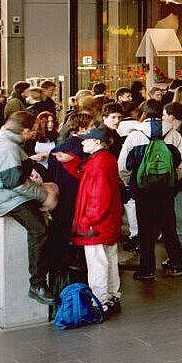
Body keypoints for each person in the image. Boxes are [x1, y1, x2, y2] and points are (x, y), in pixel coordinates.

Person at [0, 112, 53, 306]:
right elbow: (15, 183)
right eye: (34, 130)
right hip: (4, 197)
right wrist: (44, 195)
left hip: (5, 191)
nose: (37, 133)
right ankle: (37, 284)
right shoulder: (7, 148)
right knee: (39, 230)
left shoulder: (8, 142)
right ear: (24, 130)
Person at [119, 100, 182, 281]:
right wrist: (173, 180)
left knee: (145, 228)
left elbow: (123, 166)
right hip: (166, 189)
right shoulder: (173, 134)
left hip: (143, 190)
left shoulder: (134, 136)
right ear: (161, 113)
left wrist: (130, 182)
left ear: (143, 113)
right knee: (169, 225)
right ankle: (176, 264)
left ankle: (147, 269)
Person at [70, 126, 124, 314]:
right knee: (109, 258)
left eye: (87, 139)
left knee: (97, 264)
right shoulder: (105, 159)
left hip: (96, 224)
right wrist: (71, 162)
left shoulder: (98, 163)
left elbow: (99, 196)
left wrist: (89, 220)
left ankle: (99, 303)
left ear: (97, 142)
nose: (82, 142)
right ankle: (112, 297)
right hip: (109, 221)